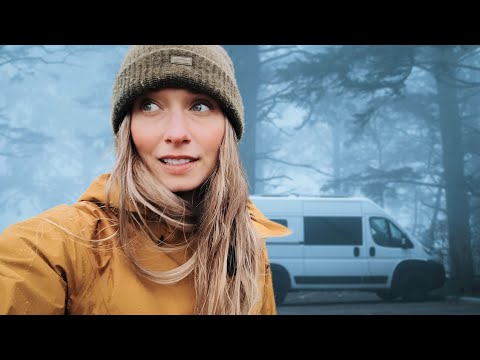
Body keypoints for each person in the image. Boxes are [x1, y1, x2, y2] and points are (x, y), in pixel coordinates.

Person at [0, 45, 291, 315]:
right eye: (150, 106)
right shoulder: (49, 249)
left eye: (200, 106)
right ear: (128, 130)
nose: (177, 133)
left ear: (227, 128)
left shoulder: (243, 242)